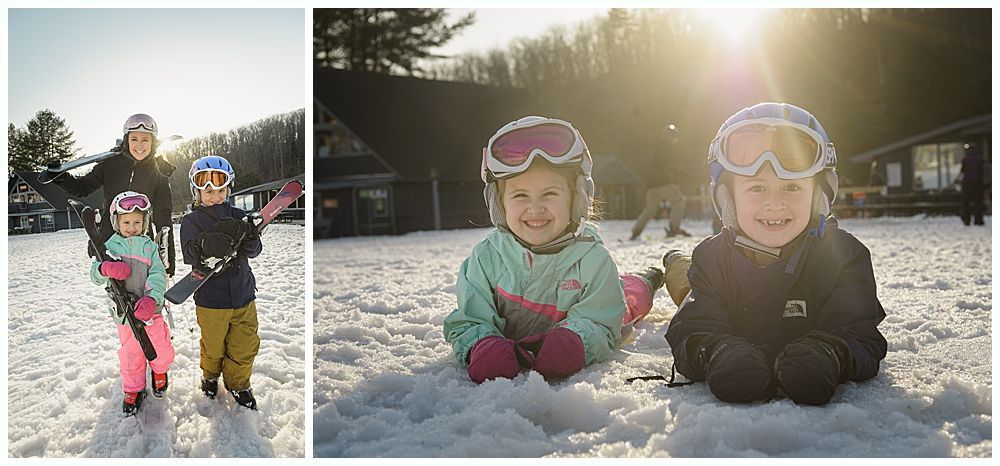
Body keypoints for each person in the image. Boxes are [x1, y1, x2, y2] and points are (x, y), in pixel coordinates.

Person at [662, 102, 887, 405]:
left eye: (792, 188)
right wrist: (716, 352)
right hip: (696, 277)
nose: (775, 203)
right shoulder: (711, 259)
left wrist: (831, 354)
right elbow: (693, 328)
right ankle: (674, 260)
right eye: (756, 189)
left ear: (818, 196)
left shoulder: (844, 257)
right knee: (683, 282)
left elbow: (861, 334)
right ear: (728, 199)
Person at [443, 116, 664, 384]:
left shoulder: (593, 261)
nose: (535, 208)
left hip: (610, 301)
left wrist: (575, 342)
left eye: (549, 194)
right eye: (520, 195)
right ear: (499, 203)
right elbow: (469, 318)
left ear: (576, 199)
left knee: (630, 298)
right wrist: (482, 345)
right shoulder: (486, 258)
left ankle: (646, 279)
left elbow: (602, 322)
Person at [180, 155, 263, 410]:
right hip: (211, 301)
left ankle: (239, 384)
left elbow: (254, 251)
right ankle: (210, 375)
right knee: (213, 346)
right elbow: (189, 254)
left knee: (245, 343)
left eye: (221, 190)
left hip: (243, 295)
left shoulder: (239, 216)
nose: (215, 196)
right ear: (196, 192)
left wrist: (250, 238)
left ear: (229, 189)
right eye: (208, 191)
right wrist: (205, 243)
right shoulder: (191, 221)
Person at [48, 114, 177, 276]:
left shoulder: (159, 173)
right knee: (117, 292)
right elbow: (83, 187)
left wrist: (168, 259)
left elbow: (163, 218)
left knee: (142, 291)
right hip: (110, 241)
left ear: (153, 142)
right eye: (134, 139)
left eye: (145, 140)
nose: (139, 145)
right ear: (126, 140)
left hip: (142, 242)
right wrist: (61, 178)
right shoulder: (110, 165)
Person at [90, 191, 175, 416]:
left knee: (161, 346)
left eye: (137, 222)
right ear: (116, 222)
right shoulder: (110, 246)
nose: (132, 226)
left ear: (145, 222)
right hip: (124, 313)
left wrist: (151, 297)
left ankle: (159, 371)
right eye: (126, 222)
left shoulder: (149, 247)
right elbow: (94, 274)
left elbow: (158, 274)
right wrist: (104, 268)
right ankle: (133, 388)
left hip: (150, 310)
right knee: (132, 354)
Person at [630, 124, 690, 240]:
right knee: (678, 201)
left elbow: (656, 166)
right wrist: (678, 172)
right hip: (662, 182)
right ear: (669, 136)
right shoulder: (665, 147)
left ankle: (636, 231)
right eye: (673, 137)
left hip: (651, 185)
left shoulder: (656, 147)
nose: (673, 140)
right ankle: (674, 228)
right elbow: (664, 166)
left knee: (651, 209)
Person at [956, 141, 985, 226]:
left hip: (967, 182)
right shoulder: (980, 159)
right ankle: (978, 220)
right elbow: (982, 171)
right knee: (977, 202)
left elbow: (963, 171)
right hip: (978, 183)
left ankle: (967, 220)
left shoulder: (965, 159)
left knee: (966, 202)